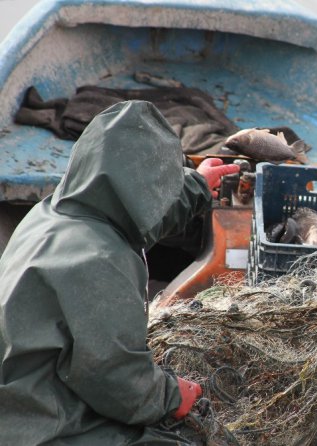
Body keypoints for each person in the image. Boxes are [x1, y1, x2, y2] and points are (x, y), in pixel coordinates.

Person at [0, 100, 239, 445]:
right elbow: (111, 376)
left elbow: (133, 219)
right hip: (44, 425)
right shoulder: (99, 261)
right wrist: (172, 396)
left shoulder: (51, 215)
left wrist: (197, 186)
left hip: (21, 393)